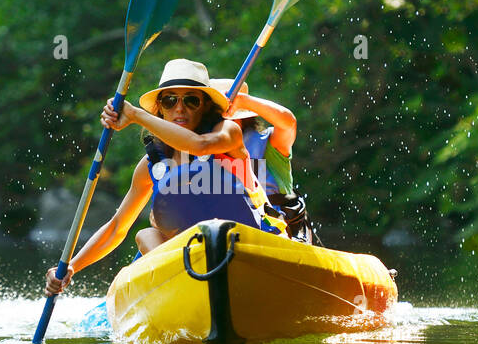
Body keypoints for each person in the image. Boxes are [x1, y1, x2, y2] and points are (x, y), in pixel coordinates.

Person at [45, 59, 281, 295]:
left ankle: (193, 288)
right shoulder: (151, 164)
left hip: (246, 244)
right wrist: (71, 267)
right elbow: (117, 226)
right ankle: (184, 291)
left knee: (163, 232)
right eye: (170, 100)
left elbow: (200, 145)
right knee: (146, 234)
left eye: (191, 100)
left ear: (205, 106)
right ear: (160, 108)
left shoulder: (228, 133)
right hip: (188, 264)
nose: (179, 108)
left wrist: (136, 115)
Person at [211, 78, 320, 244]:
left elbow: (288, 124)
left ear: (240, 117)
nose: (219, 123)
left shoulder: (268, 143)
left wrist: (243, 101)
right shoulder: (202, 154)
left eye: (223, 117)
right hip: (229, 237)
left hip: (280, 233)